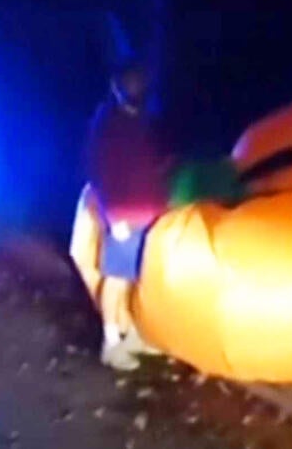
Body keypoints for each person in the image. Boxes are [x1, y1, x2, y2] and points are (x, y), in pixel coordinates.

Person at [86, 61, 171, 371]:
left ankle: (134, 335)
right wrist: (111, 214)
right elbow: (98, 171)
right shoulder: (107, 123)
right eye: (130, 82)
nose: (136, 88)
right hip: (123, 216)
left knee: (140, 280)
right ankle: (111, 343)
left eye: (140, 82)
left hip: (150, 214)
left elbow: (153, 165)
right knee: (118, 279)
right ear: (117, 86)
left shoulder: (144, 122)